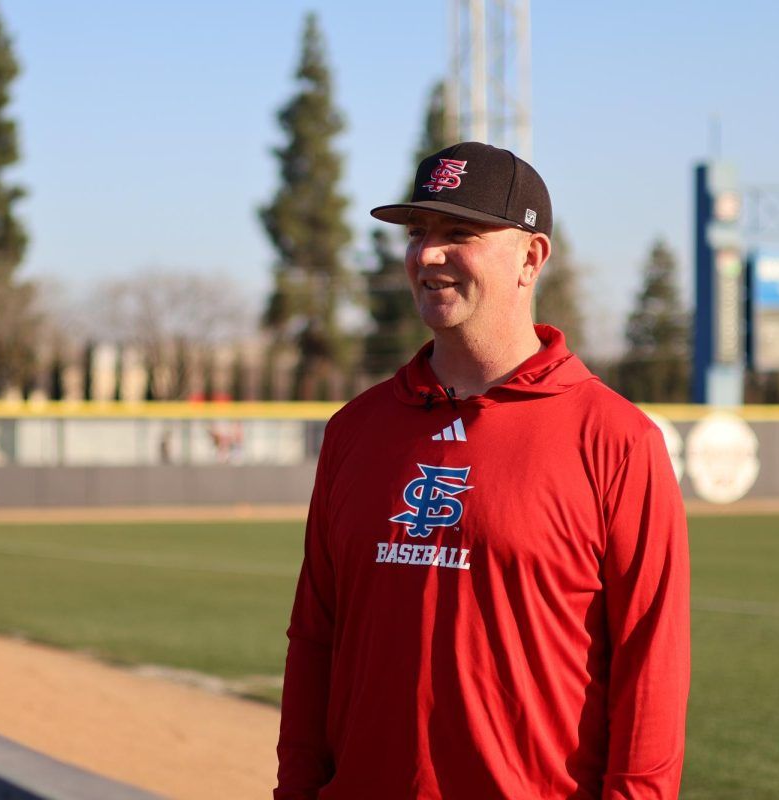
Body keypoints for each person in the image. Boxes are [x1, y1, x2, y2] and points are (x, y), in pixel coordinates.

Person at [275, 142, 690, 799]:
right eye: (418, 233)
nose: (427, 254)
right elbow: (314, 640)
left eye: (459, 233)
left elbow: (652, 667)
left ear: (531, 257)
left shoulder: (616, 441)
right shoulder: (354, 429)